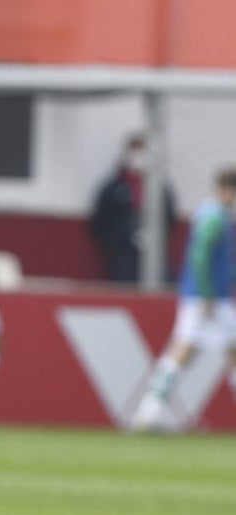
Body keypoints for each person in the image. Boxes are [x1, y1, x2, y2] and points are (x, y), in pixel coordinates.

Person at [131, 168, 236, 433]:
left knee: (183, 352)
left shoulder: (212, 215)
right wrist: (208, 294)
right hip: (210, 298)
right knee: (189, 351)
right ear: (226, 188)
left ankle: (149, 412)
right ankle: (148, 412)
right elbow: (200, 257)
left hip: (203, 296)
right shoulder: (214, 218)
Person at [88, 134, 177, 285]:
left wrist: (156, 237)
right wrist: (117, 239)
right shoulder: (113, 187)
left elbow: (169, 218)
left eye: (142, 153)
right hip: (123, 255)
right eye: (134, 152)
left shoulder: (160, 189)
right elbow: (100, 221)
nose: (138, 158)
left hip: (153, 255)